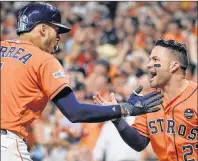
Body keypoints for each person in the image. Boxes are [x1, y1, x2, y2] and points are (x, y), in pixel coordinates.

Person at [0, 3, 163, 161]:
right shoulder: (43, 59)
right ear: (43, 29)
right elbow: (74, 112)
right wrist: (124, 109)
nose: (58, 38)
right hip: (6, 144)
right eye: (56, 30)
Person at [93, 39, 197, 161]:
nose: (149, 65)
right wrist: (117, 119)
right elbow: (139, 143)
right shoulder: (149, 100)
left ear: (174, 66)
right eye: (149, 60)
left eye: (156, 60)